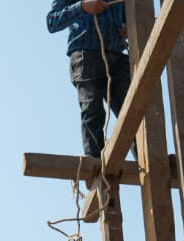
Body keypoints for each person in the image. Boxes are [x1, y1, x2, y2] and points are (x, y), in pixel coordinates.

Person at [48, 0, 131, 158]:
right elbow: (52, 21)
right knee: (93, 110)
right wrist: (83, 6)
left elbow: (128, 16)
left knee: (132, 111)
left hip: (116, 56)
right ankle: (95, 164)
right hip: (85, 54)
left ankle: (146, 158)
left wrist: (127, 27)